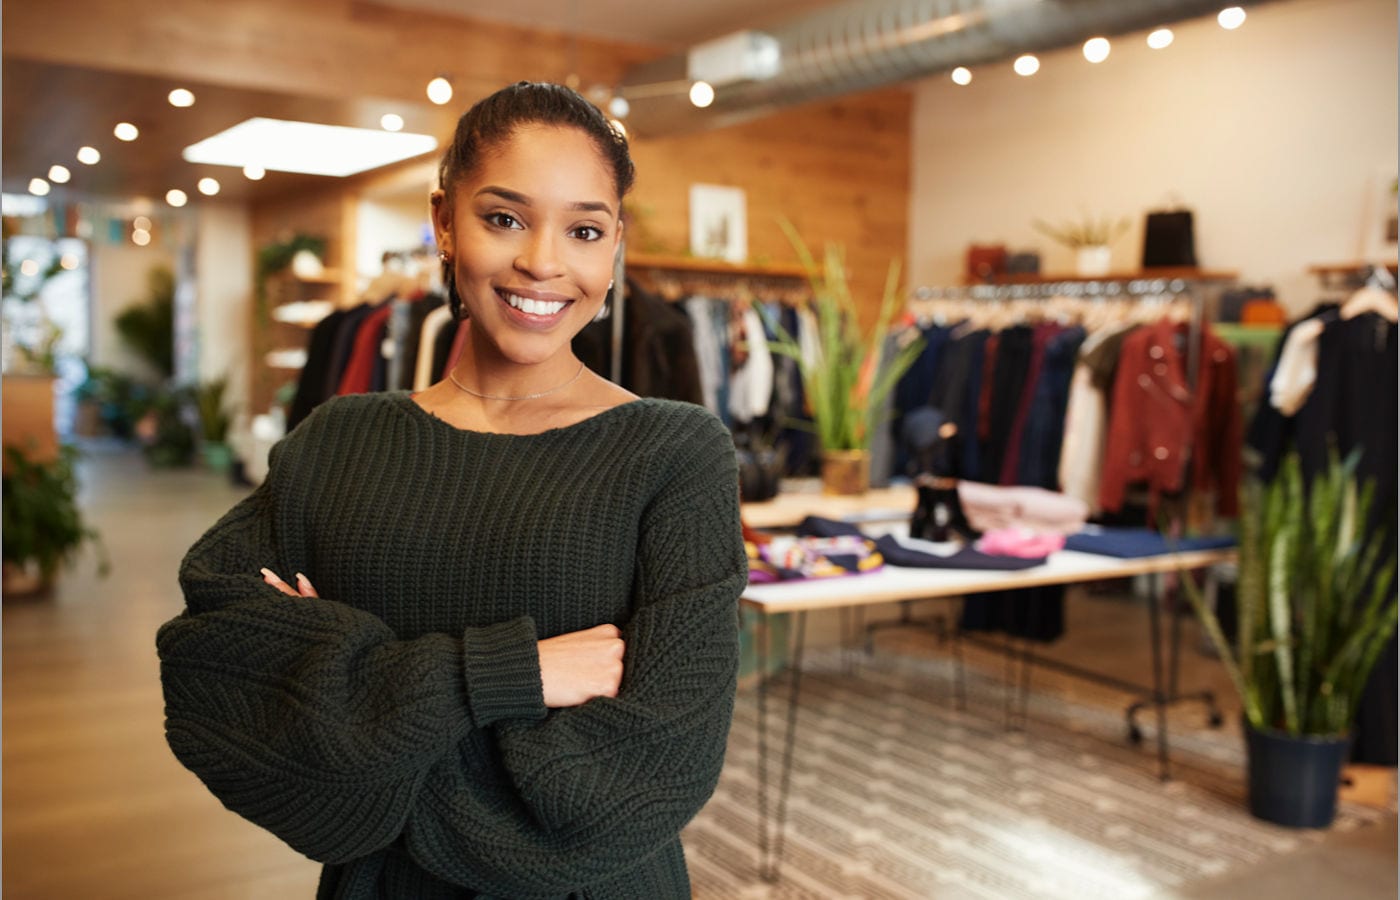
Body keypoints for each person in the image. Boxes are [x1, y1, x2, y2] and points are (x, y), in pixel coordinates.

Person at [157, 82, 746, 899]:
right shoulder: (339, 442)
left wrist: (369, 738)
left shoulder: (675, 455)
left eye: (583, 229)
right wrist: (508, 676)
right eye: (503, 218)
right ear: (443, 222)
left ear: (615, 247)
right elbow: (215, 680)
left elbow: (656, 763)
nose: (543, 260)